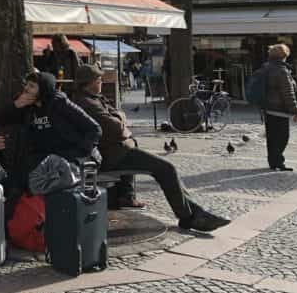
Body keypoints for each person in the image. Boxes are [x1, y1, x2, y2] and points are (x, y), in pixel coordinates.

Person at [72, 64, 230, 232]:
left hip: (119, 149)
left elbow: (119, 117)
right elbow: (116, 128)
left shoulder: (94, 98)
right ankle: (188, 217)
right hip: (113, 155)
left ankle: (191, 214)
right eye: (99, 79)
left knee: (165, 168)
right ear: (88, 83)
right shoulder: (88, 103)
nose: (101, 82)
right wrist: (122, 124)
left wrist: (120, 121)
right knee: (166, 168)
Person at [263, 44, 297, 172]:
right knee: (282, 138)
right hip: (279, 109)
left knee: (272, 137)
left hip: (268, 108)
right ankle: (278, 162)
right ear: (284, 56)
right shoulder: (281, 71)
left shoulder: (267, 67)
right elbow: (288, 93)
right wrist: (296, 111)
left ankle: (273, 162)